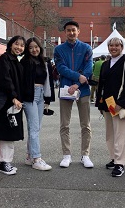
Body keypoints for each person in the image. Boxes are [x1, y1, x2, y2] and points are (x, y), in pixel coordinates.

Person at [54, 20, 94, 168]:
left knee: (86, 124)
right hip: (66, 89)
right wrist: (78, 77)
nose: (71, 32)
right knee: (65, 124)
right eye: (68, 30)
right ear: (65, 32)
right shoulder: (59, 50)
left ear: (78, 31)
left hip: (82, 90)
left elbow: (89, 68)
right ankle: (66, 155)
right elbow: (61, 68)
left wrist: (77, 84)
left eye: (73, 30)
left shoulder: (86, 48)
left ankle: (85, 155)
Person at [0, 36, 26, 175]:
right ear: (10, 45)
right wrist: (14, 96)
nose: (19, 47)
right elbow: (5, 79)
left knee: (9, 133)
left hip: (10, 101)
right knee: (7, 133)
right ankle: (4, 163)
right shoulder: (5, 59)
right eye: (17, 44)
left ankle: (6, 161)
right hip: (5, 102)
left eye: (22, 45)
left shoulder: (14, 60)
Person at [95, 37, 125, 177]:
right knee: (110, 134)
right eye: (111, 45)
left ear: (122, 47)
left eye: (117, 45)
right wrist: (100, 103)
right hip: (107, 103)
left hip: (118, 104)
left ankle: (120, 163)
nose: (114, 48)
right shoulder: (105, 64)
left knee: (119, 134)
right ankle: (113, 157)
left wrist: (121, 103)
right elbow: (102, 84)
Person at [21, 37, 55, 171]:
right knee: (34, 127)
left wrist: (47, 100)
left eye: (36, 47)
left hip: (41, 94)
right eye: (30, 47)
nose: (34, 49)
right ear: (27, 50)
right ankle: (37, 158)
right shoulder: (24, 62)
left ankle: (30, 156)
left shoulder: (44, 62)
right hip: (29, 95)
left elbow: (49, 82)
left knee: (35, 127)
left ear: (40, 47)